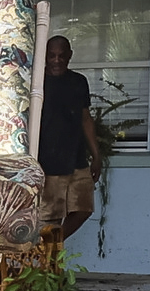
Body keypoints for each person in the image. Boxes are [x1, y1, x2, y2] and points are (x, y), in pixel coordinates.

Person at [36, 35, 103, 242]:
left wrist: (97, 156)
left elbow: (85, 119)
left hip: (76, 159)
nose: (57, 60)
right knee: (50, 217)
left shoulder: (78, 82)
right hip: (47, 161)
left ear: (70, 56)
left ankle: (53, 246)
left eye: (61, 56)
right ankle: (46, 265)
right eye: (52, 56)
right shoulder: (36, 83)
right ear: (44, 57)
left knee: (84, 208)